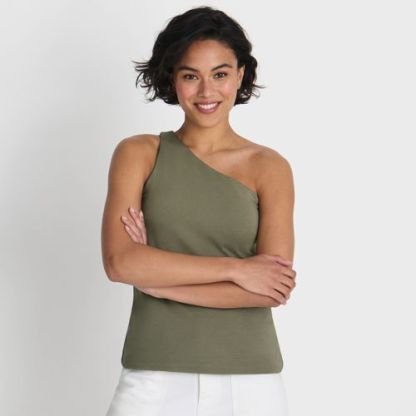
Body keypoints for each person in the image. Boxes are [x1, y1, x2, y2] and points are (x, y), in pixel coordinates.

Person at [101, 6, 296, 416]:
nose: (207, 91)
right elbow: (121, 263)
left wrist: (159, 284)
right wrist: (237, 269)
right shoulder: (139, 154)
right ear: (172, 78)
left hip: (250, 382)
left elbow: (271, 288)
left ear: (240, 75)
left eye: (220, 74)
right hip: (152, 375)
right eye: (191, 76)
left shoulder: (269, 167)